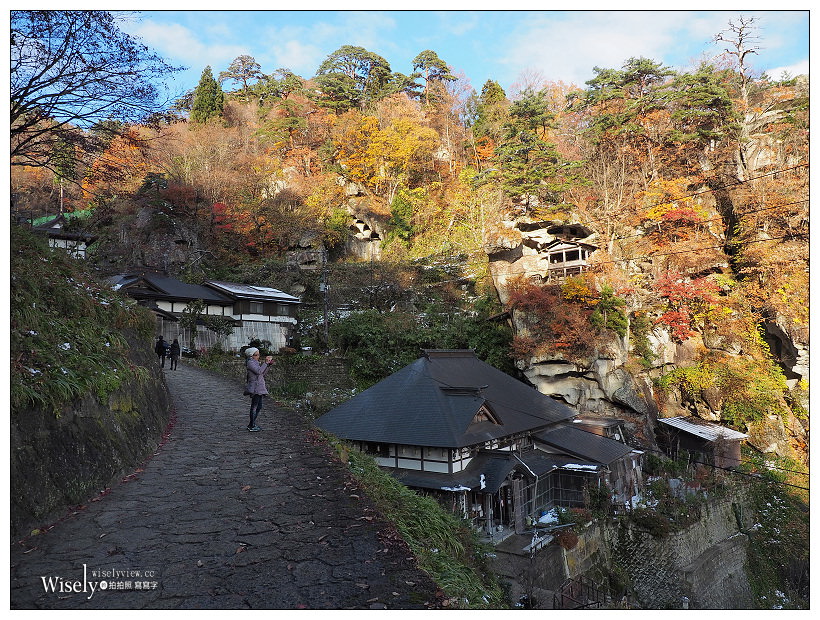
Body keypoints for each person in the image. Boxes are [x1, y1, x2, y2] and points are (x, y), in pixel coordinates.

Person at [244, 347, 274, 432]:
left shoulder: (255, 362)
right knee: (255, 406)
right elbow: (259, 371)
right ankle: (251, 425)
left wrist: (268, 365)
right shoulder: (250, 363)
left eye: (258, 354)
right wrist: (265, 363)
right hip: (255, 388)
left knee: (259, 406)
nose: (258, 356)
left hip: (259, 387)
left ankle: (251, 424)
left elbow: (262, 373)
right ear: (251, 356)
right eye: (256, 355)